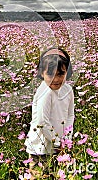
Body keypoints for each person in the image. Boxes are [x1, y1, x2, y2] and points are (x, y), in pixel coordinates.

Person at [24, 47, 75, 175]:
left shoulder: (68, 90)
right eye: (50, 74)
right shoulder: (45, 93)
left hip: (59, 146)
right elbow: (42, 122)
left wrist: (66, 140)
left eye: (60, 74)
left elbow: (70, 116)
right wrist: (58, 143)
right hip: (40, 149)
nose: (55, 79)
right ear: (41, 73)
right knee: (39, 175)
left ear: (67, 73)